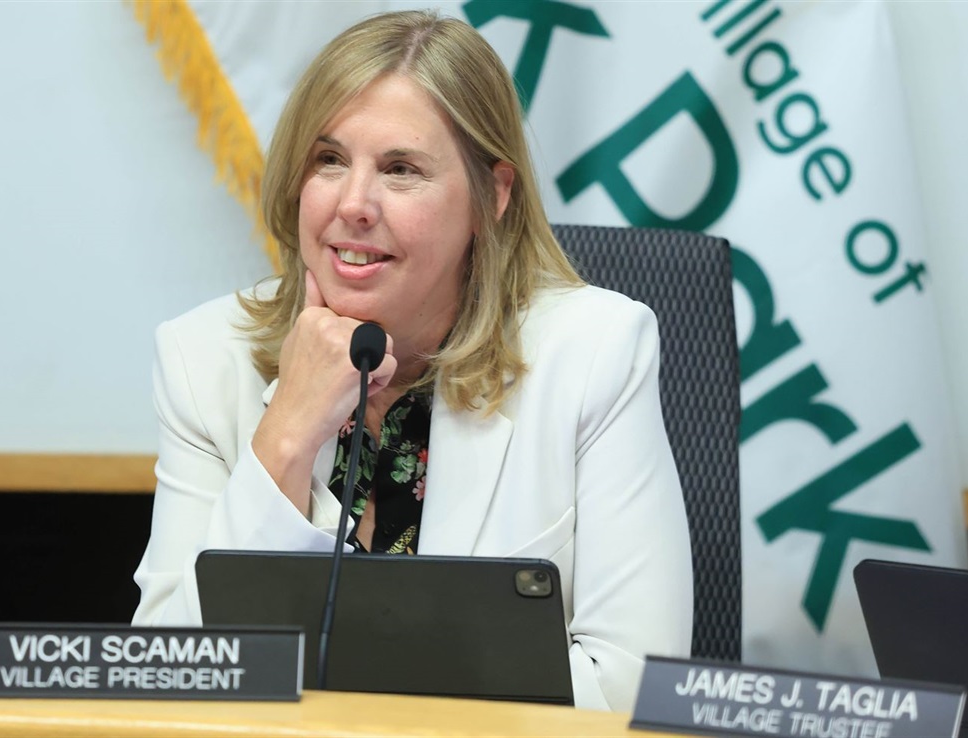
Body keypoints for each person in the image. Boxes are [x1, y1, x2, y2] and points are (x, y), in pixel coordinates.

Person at [131, 9, 692, 711]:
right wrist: (286, 434)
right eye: (329, 160)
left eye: (400, 169)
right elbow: (163, 682)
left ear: (493, 194)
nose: (354, 204)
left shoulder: (594, 353)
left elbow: (633, 685)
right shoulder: (203, 358)